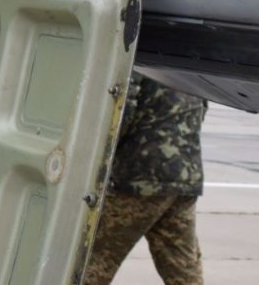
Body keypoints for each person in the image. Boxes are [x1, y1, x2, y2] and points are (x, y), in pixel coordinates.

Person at [85, 72, 208, 285]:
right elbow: (202, 107)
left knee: (92, 262)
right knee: (183, 271)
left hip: (141, 176)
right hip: (185, 174)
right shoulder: (188, 59)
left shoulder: (140, 56)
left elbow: (121, 113)